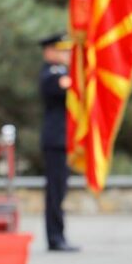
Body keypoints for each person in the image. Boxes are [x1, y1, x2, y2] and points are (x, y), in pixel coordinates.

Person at [38, 33, 79, 252]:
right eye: (61, 50)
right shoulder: (52, 74)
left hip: (63, 141)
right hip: (55, 141)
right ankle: (55, 237)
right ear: (49, 52)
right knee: (55, 192)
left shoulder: (63, 73)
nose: (66, 55)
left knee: (60, 190)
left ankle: (58, 234)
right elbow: (68, 88)